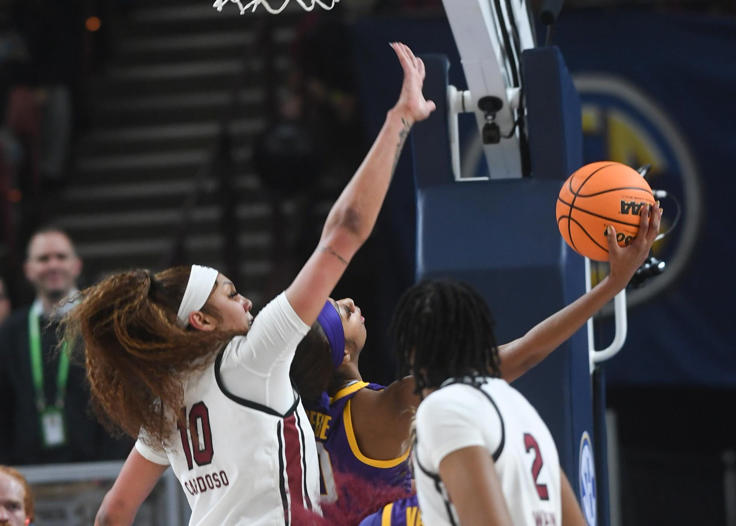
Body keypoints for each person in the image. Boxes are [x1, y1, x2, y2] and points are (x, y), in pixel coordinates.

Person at [62, 42, 435, 526]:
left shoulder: (166, 401)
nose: (248, 301)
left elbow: (113, 512)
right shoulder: (252, 358)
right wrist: (399, 120)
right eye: (232, 295)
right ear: (201, 320)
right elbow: (343, 231)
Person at [290, 204, 662, 525]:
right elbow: (527, 350)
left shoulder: (296, 416)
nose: (351, 302)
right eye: (341, 311)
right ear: (339, 353)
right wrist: (612, 285)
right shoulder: (395, 403)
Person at [0, 227, 129, 465]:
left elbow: (121, 402)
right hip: (27, 478)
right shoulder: (9, 333)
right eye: (43, 259)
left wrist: (109, 469)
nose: (52, 265)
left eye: (61, 257)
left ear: (76, 265)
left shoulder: (102, 326)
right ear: (28, 270)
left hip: (96, 475)